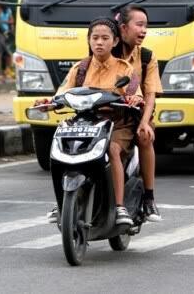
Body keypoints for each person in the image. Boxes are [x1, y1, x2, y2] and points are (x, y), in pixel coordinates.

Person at [42, 17, 143, 226]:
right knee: (59, 149)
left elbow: (136, 94)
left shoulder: (125, 69)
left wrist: (134, 98)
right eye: (95, 38)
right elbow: (62, 94)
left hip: (116, 124)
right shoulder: (79, 69)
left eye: (105, 38)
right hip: (83, 123)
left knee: (113, 150)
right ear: (88, 41)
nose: (99, 42)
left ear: (114, 42)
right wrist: (49, 103)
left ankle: (119, 206)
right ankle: (60, 202)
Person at [115, 4, 163, 222]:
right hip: (109, 114)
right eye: (139, 25)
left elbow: (151, 93)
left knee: (145, 137)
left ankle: (149, 198)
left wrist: (144, 121)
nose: (143, 30)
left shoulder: (146, 56)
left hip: (135, 114)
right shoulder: (106, 51)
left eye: (146, 26)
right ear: (123, 28)